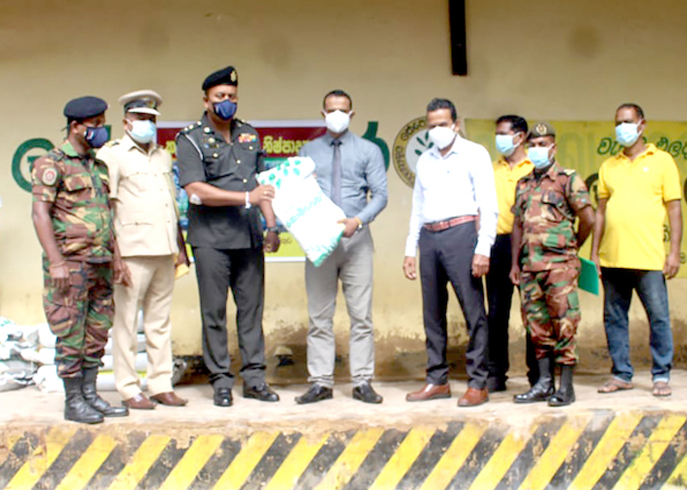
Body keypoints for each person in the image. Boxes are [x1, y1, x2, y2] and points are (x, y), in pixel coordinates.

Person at [176, 66, 281, 407]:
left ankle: (254, 378)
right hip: (211, 240)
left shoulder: (249, 134)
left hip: (249, 238)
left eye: (232, 97)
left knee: (251, 311)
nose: (227, 102)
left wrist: (271, 225)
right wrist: (245, 199)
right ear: (206, 100)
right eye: (220, 97)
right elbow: (195, 189)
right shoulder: (189, 138)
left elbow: (262, 185)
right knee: (214, 313)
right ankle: (221, 380)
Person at [31, 96, 130, 424]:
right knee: (71, 332)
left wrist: (116, 257)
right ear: (76, 127)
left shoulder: (98, 165)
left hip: (100, 262)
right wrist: (56, 261)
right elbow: (40, 214)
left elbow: (106, 217)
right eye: (96, 125)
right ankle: (74, 401)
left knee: (97, 331)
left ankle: (90, 395)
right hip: (70, 266)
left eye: (103, 123)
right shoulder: (51, 164)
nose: (102, 130)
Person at [96, 90, 190, 411]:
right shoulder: (113, 154)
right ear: (126, 122)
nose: (147, 124)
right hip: (132, 252)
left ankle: (161, 384)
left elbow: (171, 205)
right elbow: (107, 207)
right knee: (125, 322)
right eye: (141, 119)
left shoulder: (163, 156)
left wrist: (180, 247)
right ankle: (127, 386)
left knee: (160, 321)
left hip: (164, 249)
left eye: (151, 119)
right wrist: (115, 256)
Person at [403, 98, 498, 407]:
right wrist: (410, 249)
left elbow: (488, 204)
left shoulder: (475, 153)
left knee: (473, 311)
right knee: (432, 313)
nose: (437, 130)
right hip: (429, 238)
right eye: (432, 126)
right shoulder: (425, 160)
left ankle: (478, 383)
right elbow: (417, 207)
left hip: (462, 233)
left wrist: (483, 247)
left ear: (455, 124)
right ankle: (437, 380)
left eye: (443, 124)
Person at [294, 90, 388, 405]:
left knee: (361, 316)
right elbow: (298, 195)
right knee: (319, 316)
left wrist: (357, 221)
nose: (337, 114)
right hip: (319, 243)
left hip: (356, 241)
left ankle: (362, 381)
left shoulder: (369, 150)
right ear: (322, 113)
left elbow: (381, 195)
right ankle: (320, 382)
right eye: (331, 109)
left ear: (352, 114)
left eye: (343, 110)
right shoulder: (307, 151)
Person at [590, 103, 683, 397]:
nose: (622, 128)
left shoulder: (662, 161)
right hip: (612, 257)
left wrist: (674, 252)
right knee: (614, 318)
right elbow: (601, 212)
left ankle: (661, 375)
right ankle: (621, 374)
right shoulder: (608, 166)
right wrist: (594, 252)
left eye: (627, 122)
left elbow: (675, 209)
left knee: (658, 317)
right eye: (618, 122)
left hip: (649, 258)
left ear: (642, 124)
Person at [510, 122, 595, 407]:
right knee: (537, 327)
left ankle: (566, 388)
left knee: (565, 324)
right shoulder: (523, 184)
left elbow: (589, 220)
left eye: (542, 144)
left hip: (560, 266)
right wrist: (515, 264)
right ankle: (544, 384)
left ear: (553, 147)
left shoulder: (568, 180)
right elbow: (518, 227)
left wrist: (571, 247)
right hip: (529, 268)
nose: (537, 150)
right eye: (532, 145)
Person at [486, 115, 537, 392]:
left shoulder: (535, 167)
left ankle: (536, 374)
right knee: (496, 314)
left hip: (529, 246)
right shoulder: (491, 169)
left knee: (532, 312)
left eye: (503, 134)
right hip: (496, 245)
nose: (499, 139)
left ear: (520, 137)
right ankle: (496, 374)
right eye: (497, 134)